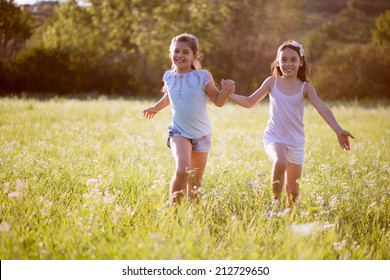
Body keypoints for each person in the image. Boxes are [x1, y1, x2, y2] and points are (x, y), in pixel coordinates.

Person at [226, 39, 354, 209]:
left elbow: (323, 108)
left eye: (293, 59)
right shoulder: (272, 82)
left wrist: (338, 130)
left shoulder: (305, 88)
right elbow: (250, 101)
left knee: (293, 192)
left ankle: (288, 215)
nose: (288, 64)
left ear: (301, 62)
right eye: (284, 59)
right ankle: (275, 204)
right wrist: (230, 95)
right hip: (274, 137)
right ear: (278, 62)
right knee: (280, 162)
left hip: (296, 142)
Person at [143, 33, 234, 206]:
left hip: (202, 135)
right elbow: (169, 98)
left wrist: (225, 92)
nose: (180, 55)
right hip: (178, 132)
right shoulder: (168, 77)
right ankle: (174, 212)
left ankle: (195, 214)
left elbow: (218, 101)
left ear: (194, 56)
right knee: (183, 170)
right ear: (171, 54)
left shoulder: (202, 76)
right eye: (176, 51)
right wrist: (155, 108)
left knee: (195, 181)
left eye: (185, 52)